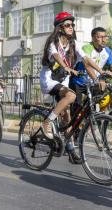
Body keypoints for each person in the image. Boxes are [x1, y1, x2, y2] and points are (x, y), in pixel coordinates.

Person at [39, 11, 80, 144]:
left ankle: (70, 148)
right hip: (49, 80)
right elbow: (56, 55)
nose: (71, 27)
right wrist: (65, 66)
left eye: (72, 24)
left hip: (63, 82)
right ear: (60, 27)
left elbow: (86, 58)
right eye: (67, 24)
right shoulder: (53, 43)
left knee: (67, 116)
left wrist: (100, 72)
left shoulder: (72, 44)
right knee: (71, 96)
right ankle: (47, 122)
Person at [74, 27, 112, 95]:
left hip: (94, 84)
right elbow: (87, 65)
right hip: (80, 82)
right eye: (100, 37)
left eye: (105, 37)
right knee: (77, 105)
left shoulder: (107, 51)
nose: (104, 40)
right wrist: (96, 80)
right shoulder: (87, 47)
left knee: (103, 102)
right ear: (93, 38)